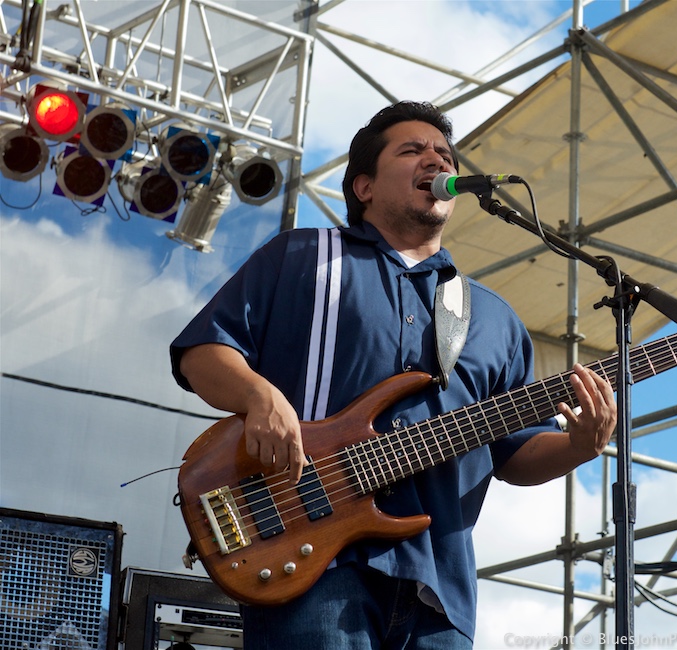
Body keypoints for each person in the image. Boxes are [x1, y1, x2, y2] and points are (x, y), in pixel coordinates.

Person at [170, 100, 617, 649]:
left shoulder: (494, 318)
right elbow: (202, 353)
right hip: (313, 558)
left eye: (444, 154)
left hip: (441, 590)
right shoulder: (303, 257)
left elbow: (514, 455)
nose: (435, 160)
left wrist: (580, 445)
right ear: (364, 187)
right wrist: (259, 396)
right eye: (413, 150)